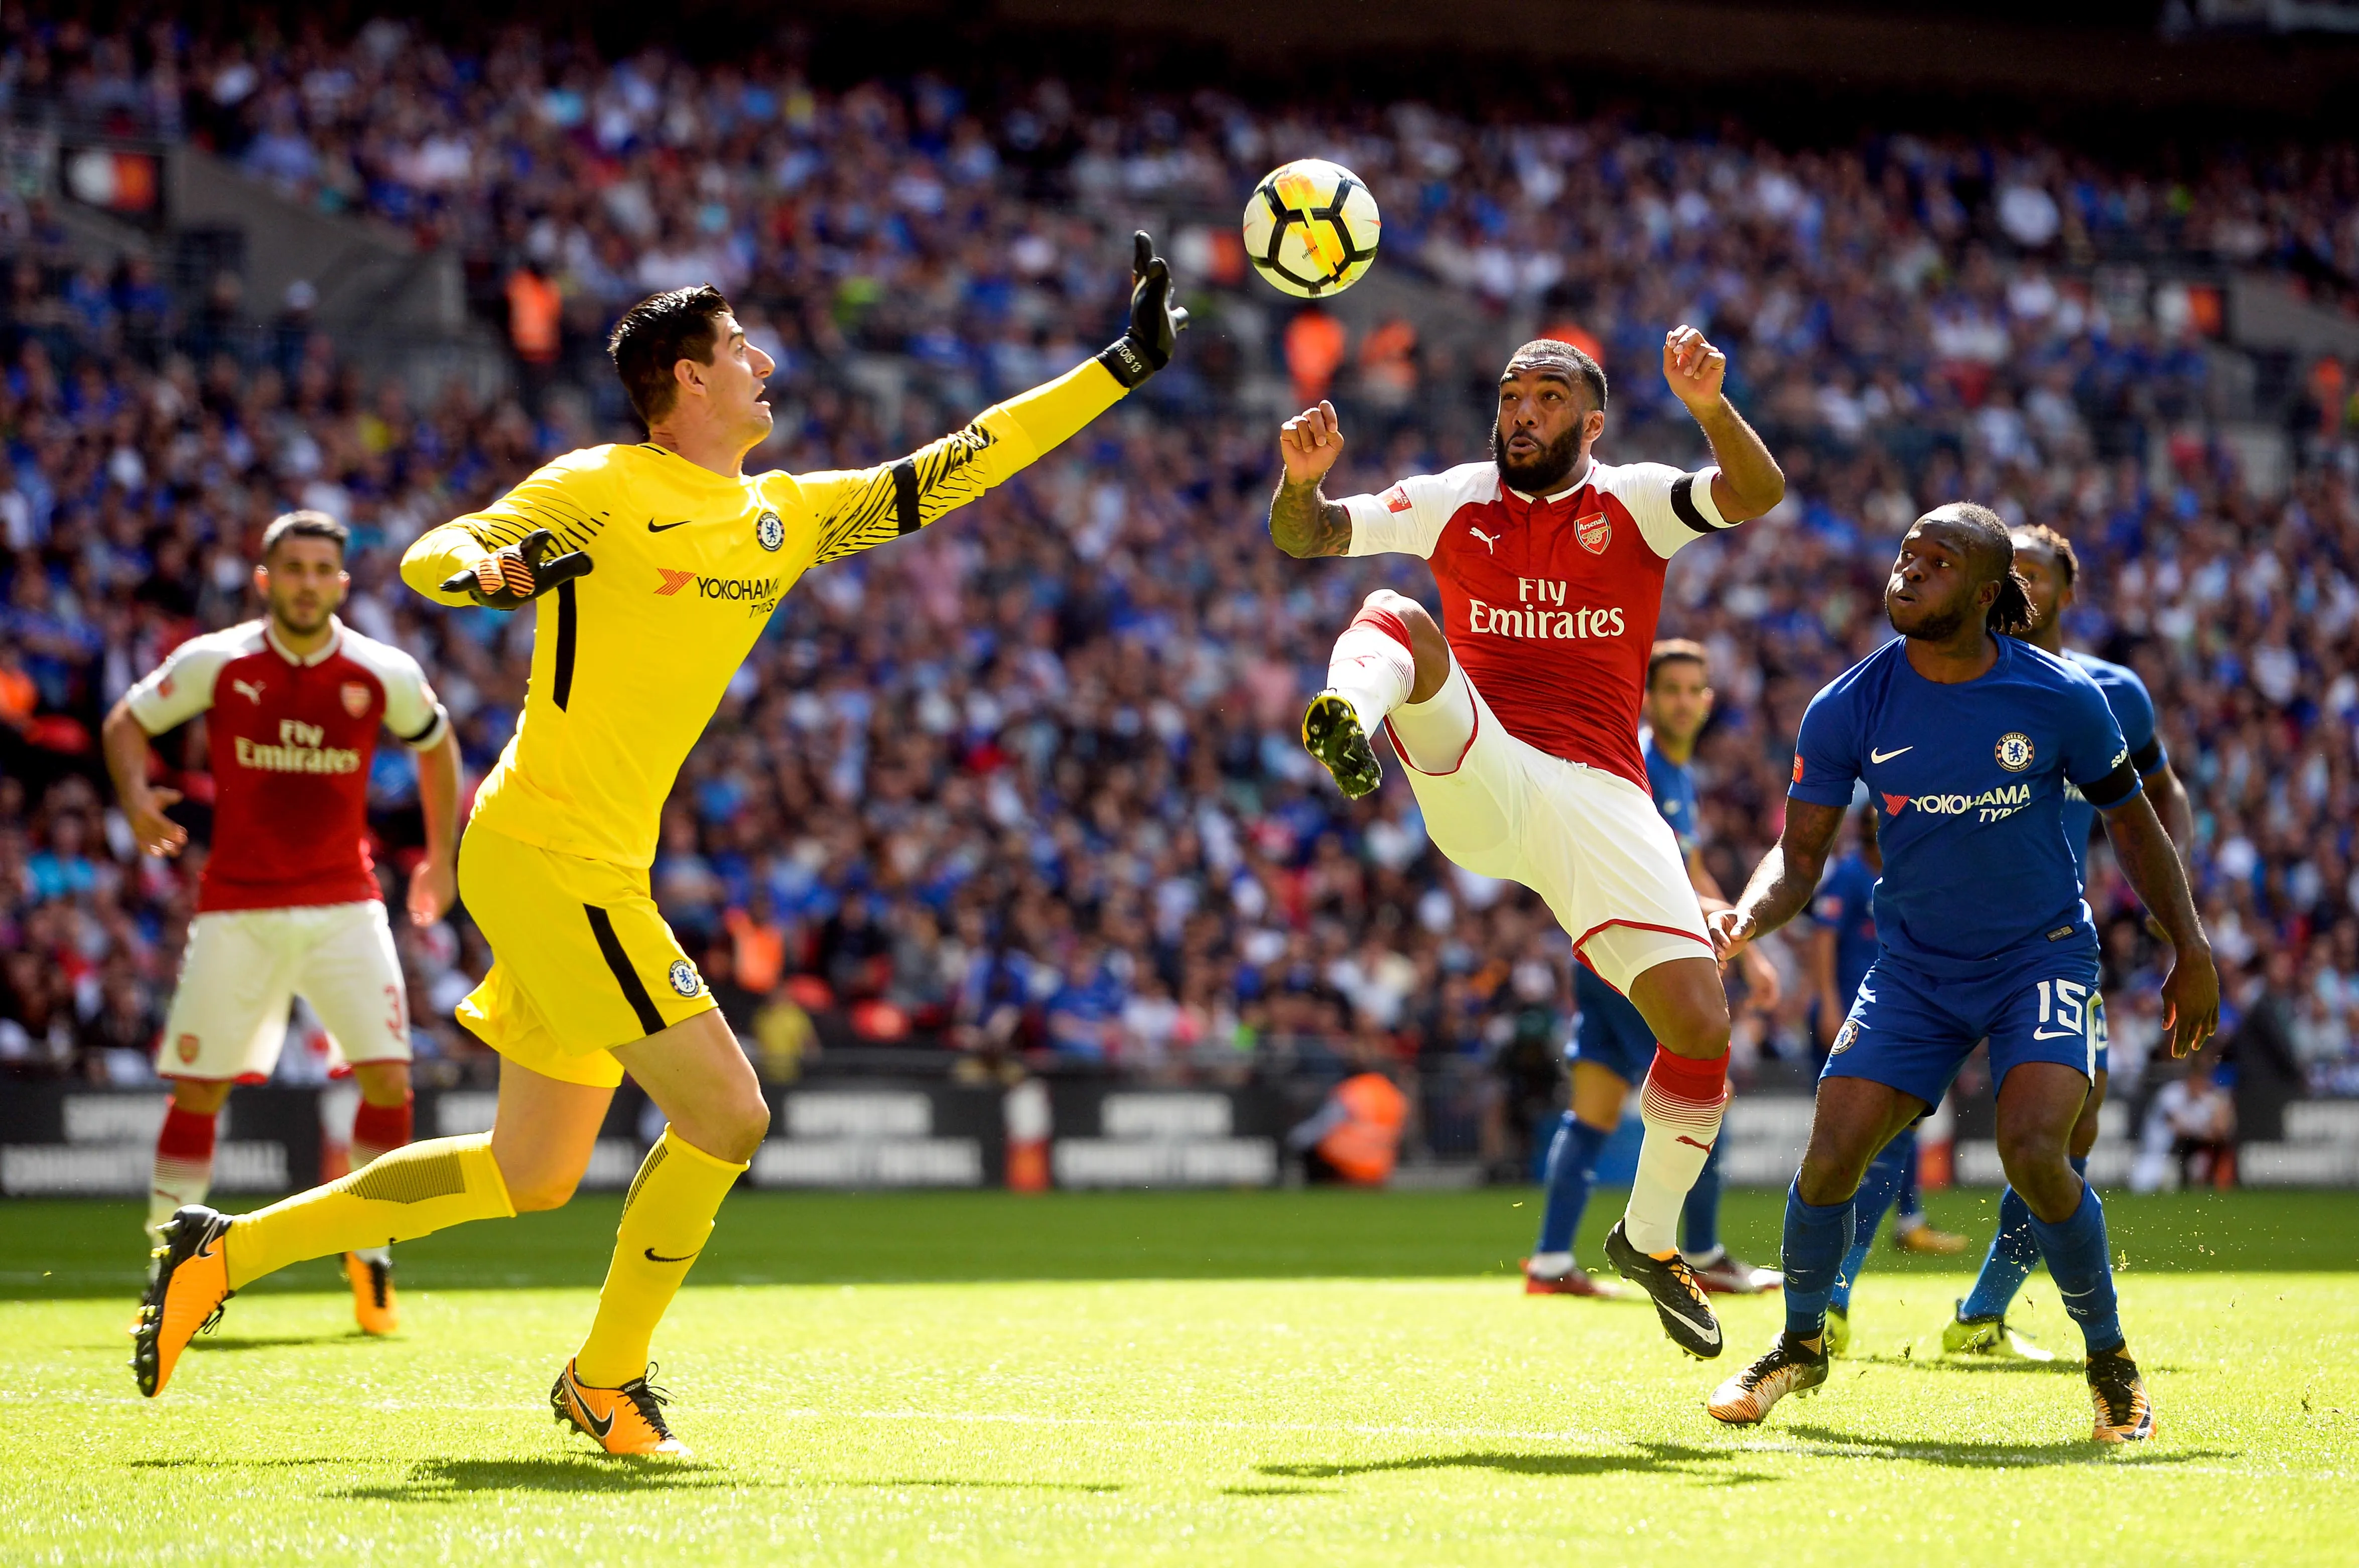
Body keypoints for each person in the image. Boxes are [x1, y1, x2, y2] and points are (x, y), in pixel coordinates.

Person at [133, 234, 1189, 1454]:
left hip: (580, 863)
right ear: (687, 380)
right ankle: (607, 1376)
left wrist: (1118, 366)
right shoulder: (603, 485)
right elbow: (431, 553)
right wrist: (494, 569)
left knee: (528, 1172)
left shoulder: (783, 516)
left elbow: (958, 464)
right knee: (731, 1116)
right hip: (546, 853)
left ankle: (227, 1249)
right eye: (741, 346)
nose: (764, 360)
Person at [1271, 328, 1786, 1357]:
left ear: (1592, 423)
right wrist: (1297, 480)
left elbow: (1755, 490)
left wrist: (1709, 407)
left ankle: (1648, 1240)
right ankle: (1347, 717)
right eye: (1512, 394)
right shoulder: (1457, 497)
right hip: (1487, 761)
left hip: (1600, 794)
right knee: (1391, 610)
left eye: (1549, 398)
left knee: (1698, 1021)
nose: (1522, 412)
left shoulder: (1633, 500)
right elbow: (1311, 535)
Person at [1702, 502, 2215, 1442]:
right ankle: (1801, 1342)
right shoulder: (1848, 702)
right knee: (1832, 1153)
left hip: (2041, 955)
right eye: (1904, 554)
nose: (1907, 571)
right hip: (1916, 968)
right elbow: (1800, 853)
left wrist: (2192, 945)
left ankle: (2109, 1359)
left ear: (1984, 595)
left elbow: (2137, 824)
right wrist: (1747, 910)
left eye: (1935, 562)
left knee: (2033, 1147)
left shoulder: (2061, 696)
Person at [102, 509, 459, 1337]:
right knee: (198, 1087)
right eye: (291, 568)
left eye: (321, 568)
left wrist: (441, 856)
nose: (306, 581)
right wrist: (131, 795)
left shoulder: (381, 670)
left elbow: (435, 743)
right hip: (239, 904)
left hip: (347, 901)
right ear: (266, 580)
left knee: (389, 1080)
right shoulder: (218, 662)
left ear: (342, 580)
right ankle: (168, 1266)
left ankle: (370, 1254)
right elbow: (127, 720)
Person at [1931, 522, 2196, 1357]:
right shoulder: (1948, 667)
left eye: (2039, 573)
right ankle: (1824, 1305)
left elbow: (2162, 795)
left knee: (2070, 1130)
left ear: (2067, 590)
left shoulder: (2112, 690)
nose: (2026, 587)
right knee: (1879, 1118)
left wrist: (2170, 886)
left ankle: (1980, 1313)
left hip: (2048, 936)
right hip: (1936, 926)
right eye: (2013, 572)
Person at [1523, 640, 1782, 1298]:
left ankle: (1551, 1263)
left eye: (1697, 689)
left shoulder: (1675, 771)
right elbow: (1653, 874)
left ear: (1710, 700)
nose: (1686, 701)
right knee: (1705, 1093)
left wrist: (1747, 942)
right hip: (1631, 959)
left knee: (1592, 1113)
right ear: (1648, 697)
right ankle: (1701, 1251)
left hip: (1601, 956)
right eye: (1672, 689)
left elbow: (1687, 870)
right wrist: (1745, 948)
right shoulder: (1642, 765)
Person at [1812, 803, 1970, 1357]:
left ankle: (1887, 1239)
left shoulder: (1904, 872)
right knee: (1858, 1145)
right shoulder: (1851, 874)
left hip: (1906, 1017)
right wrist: (1830, 1001)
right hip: (1864, 1021)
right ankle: (1827, 1292)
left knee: (1895, 1136)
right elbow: (1823, 939)